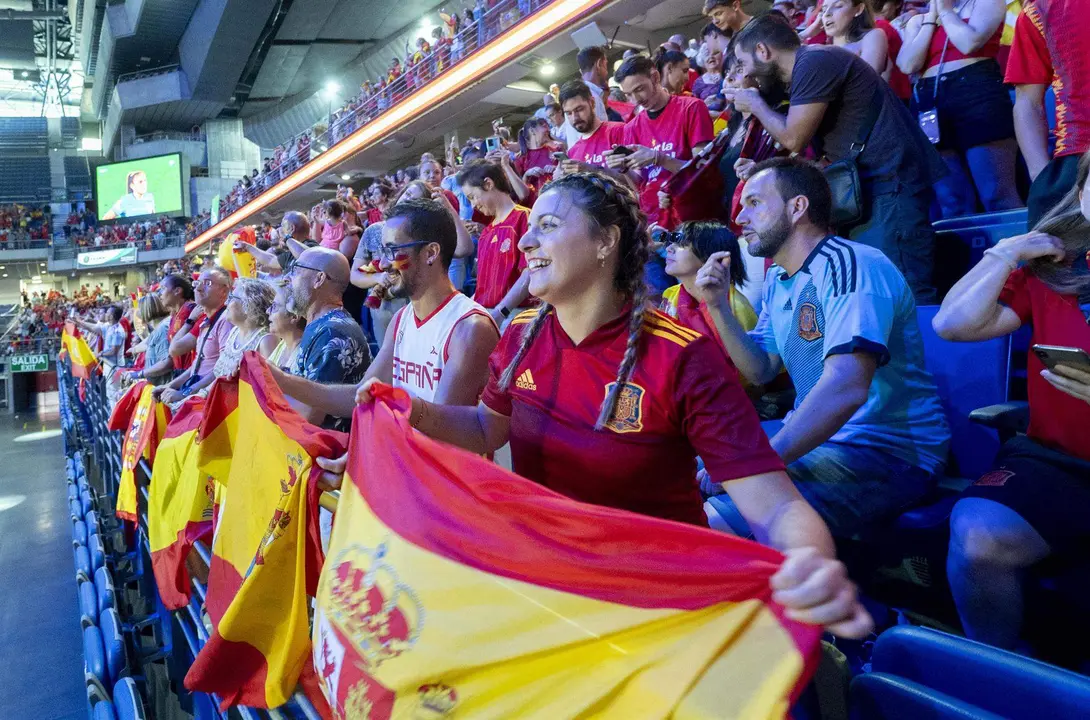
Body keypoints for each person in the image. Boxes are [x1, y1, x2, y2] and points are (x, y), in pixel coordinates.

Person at [343, 172, 872, 639]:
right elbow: (487, 428)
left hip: (653, 602)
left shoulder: (682, 358)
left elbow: (777, 505)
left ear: (606, 242)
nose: (525, 240)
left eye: (548, 225)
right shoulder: (521, 335)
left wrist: (810, 560)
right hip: (549, 582)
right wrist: (411, 410)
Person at [702, 158, 950, 537]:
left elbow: (847, 387)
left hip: (889, 453)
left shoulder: (851, 264)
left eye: (754, 203)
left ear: (796, 207)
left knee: (715, 521)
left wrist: (760, 461)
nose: (739, 217)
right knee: (686, 467)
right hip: (825, 444)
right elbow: (761, 370)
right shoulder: (778, 279)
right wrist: (718, 306)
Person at [932, 150, 1090, 651]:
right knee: (978, 534)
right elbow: (950, 324)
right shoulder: (1054, 272)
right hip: (1059, 462)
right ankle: (996, 674)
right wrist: (1005, 253)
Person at [730, 14, 946, 303]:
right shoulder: (806, 70)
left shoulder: (814, 62)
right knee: (877, 295)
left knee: (903, 290)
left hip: (891, 186)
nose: (746, 76)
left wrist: (756, 104)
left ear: (763, 51)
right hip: (870, 191)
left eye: (743, 64)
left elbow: (794, 137)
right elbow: (813, 152)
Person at [271, 198, 500, 424]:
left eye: (392, 250)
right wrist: (280, 379)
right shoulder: (402, 319)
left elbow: (439, 428)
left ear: (430, 253)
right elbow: (358, 397)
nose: (382, 264)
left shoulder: (469, 328)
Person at [897, 0, 1022, 218]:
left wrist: (945, 11)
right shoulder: (918, 20)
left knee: (996, 193)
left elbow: (969, 42)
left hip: (976, 92)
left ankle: (1022, 249)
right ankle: (967, 252)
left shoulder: (986, 3)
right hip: (930, 101)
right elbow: (908, 65)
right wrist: (930, 19)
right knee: (951, 200)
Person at [1004, 0, 1090, 226]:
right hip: (1075, 161)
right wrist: (1041, 177)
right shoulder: (1040, 9)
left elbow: (1027, 103)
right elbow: (1027, 103)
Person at [605, 55, 715, 228]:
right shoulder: (632, 127)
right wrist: (624, 168)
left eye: (640, 89)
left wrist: (659, 158)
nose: (636, 99)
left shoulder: (691, 108)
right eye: (629, 95)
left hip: (694, 219)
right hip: (657, 224)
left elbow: (704, 171)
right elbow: (640, 185)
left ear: (655, 77)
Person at [285, 247, 371, 430]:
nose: (288, 278)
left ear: (319, 279)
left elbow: (310, 414)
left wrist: (264, 389)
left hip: (328, 452)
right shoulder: (323, 325)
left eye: (296, 269)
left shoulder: (333, 333)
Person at [458, 160, 532, 326]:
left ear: (488, 184)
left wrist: (501, 311)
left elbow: (530, 272)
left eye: (472, 197)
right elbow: (484, 287)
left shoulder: (524, 218)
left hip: (515, 316)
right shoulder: (485, 232)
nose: (473, 205)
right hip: (489, 316)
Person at [661, 221, 757, 340]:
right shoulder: (670, 295)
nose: (669, 248)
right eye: (671, 242)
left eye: (681, 243)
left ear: (710, 255)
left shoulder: (737, 307)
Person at [153, 266, 235, 406]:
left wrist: (184, 393)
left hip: (210, 401)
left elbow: (222, 369)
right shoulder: (204, 321)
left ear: (224, 291)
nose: (198, 288)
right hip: (196, 397)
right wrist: (171, 386)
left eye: (207, 283)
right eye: (197, 283)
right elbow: (197, 365)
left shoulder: (226, 321)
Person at [554, 80, 626, 175]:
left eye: (579, 109)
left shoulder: (618, 130)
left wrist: (592, 170)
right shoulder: (572, 152)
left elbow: (638, 180)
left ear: (592, 103)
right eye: (569, 113)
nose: (575, 118)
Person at [821, 0, 890, 74]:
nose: (827, 13)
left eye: (838, 6)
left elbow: (866, 78)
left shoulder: (873, 35)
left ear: (858, 9)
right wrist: (806, 35)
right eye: (824, 10)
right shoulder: (824, 47)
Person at [124, 295, 173, 386]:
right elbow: (150, 341)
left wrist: (139, 374)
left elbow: (167, 363)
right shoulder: (161, 326)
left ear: (146, 310)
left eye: (139, 308)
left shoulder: (162, 329)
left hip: (163, 388)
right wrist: (135, 349)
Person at [161, 274, 199, 374]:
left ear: (177, 291)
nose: (160, 294)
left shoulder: (191, 309)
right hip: (178, 372)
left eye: (163, 288)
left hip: (189, 372)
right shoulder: (174, 315)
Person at [268, 280, 306, 372]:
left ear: (294, 316)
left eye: (274, 306)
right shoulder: (283, 344)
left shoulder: (304, 353)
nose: (268, 311)